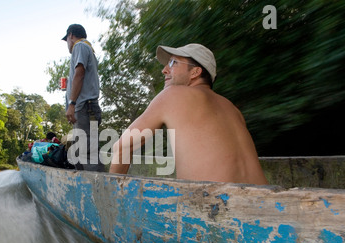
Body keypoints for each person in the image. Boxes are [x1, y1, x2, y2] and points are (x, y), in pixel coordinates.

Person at [109, 43, 268, 185]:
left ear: (195, 72)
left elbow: (122, 147)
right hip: (269, 204)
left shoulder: (173, 95)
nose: (164, 70)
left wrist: (111, 198)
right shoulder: (233, 109)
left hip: (215, 208)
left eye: (173, 63)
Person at [62, 24, 105, 172]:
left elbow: (79, 74)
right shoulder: (87, 49)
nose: (67, 44)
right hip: (83, 109)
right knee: (78, 153)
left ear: (71, 36)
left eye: (66, 40)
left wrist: (71, 103)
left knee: (88, 153)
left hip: (84, 108)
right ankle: (83, 188)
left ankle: (100, 192)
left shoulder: (79, 46)